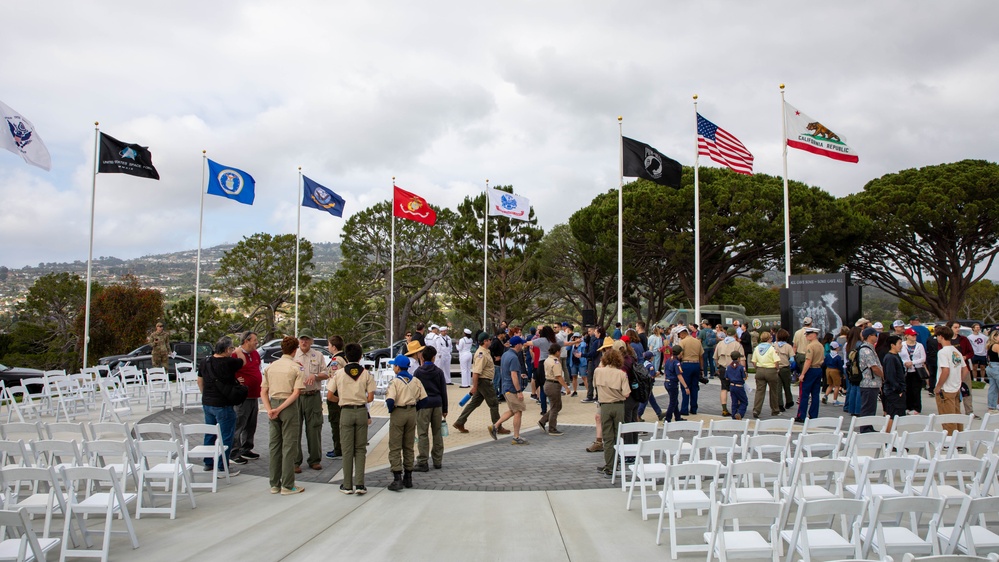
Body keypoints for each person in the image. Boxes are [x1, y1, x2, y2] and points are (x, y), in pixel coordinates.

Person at [326, 343, 375, 494]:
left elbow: (329, 395)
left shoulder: (339, 373)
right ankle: (360, 484)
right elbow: (371, 396)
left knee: (347, 449)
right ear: (361, 357)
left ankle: (347, 485)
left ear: (346, 357)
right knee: (360, 449)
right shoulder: (366, 373)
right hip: (360, 411)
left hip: (345, 411)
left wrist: (341, 400)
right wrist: (360, 399)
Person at [262, 336, 305, 495]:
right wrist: (280, 409)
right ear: (295, 350)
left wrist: (270, 409)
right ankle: (288, 484)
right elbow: (296, 393)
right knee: (289, 446)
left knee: (274, 445)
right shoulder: (296, 368)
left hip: (273, 404)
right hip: (288, 406)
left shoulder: (271, 367)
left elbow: (263, 391)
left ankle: (274, 483)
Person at [197, 336, 243, 476]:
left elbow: (200, 381)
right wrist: (239, 350)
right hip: (223, 404)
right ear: (227, 349)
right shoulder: (229, 362)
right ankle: (222, 466)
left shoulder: (205, 361)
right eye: (231, 348)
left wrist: (206, 395)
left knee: (210, 433)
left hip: (208, 402)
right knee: (226, 435)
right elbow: (243, 361)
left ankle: (208, 462)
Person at [385, 354, 427, 491]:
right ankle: (408, 477)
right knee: (408, 445)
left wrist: (391, 410)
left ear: (397, 367)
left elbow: (390, 400)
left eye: (394, 365)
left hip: (399, 411)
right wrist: (415, 409)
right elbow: (424, 399)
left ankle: (397, 477)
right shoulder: (415, 380)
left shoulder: (395, 381)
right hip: (411, 412)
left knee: (395, 445)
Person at [453, 333, 505, 435]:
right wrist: (474, 387)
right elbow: (476, 372)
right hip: (484, 381)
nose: (491, 341)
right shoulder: (481, 353)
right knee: (493, 404)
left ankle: (460, 422)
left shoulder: (485, 352)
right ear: (485, 341)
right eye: (489, 339)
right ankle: (497, 427)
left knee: (474, 403)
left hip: (483, 381)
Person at [293, 329, 327, 473]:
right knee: (295, 429)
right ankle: (295, 461)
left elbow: (326, 373)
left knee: (314, 428)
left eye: (307, 339)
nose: (304, 342)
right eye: (302, 339)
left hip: (313, 396)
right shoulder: (293, 355)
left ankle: (314, 460)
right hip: (297, 396)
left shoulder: (318, 355)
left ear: (312, 341)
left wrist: (315, 375)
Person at [594, 346, 630, 476]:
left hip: (604, 406)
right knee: (618, 436)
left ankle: (609, 465)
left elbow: (595, 387)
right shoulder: (621, 374)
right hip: (619, 405)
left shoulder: (598, 372)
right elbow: (626, 393)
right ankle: (616, 462)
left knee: (608, 437)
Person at [488, 336, 530, 445]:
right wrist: (519, 391)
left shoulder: (505, 355)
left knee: (513, 410)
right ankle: (516, 437)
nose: (522, 345)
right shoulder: (514, 357)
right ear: (517, 345)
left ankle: (495, 426)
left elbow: (506, 371)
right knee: (518, 411)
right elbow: (513, 375)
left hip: (505, 386)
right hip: (511, 388)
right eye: (521, 344)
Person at [412, 345, 448, 472]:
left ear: (422, 357)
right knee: (437, 432)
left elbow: (415, 390)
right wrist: (445, 408)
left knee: (423, 433)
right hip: (437, 403)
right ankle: (437, 460)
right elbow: (443, 390)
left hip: (423, 404)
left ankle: (422, 461)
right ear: (433, 358)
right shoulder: (438, 372)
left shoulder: (418, 372)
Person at [229, 331, 262, 465]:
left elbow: (257, 368)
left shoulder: (255, 354)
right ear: (247, 341)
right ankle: (234, 451)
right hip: (242, 396)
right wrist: (236, 379)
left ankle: (246, 448)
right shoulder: (235, 354)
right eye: (254, 340)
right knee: (239, 423)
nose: (256, 342)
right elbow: (228, 371)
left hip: (254, 394)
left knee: (251, 424)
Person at [933, 325, 965, 434]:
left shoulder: (942, 352)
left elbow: (945, 370)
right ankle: (959, 437)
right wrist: (959, 381)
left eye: (937, 336)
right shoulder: (956, 351)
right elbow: (965, 369)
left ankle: (950, 439)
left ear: (941, 336)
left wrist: (938, 386)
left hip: (946, 389)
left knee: (947, 416)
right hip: (955, 387)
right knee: (957, 414)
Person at [538, 343, 570, 435]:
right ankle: (552, 428)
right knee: (555, 407)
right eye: (559, 351)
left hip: (547, 383)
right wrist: (566, 387)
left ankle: (543, 420)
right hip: (553, 385)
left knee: (556, 406)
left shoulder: (547, 359)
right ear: (557, 352)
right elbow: (558, 376)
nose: (560, 353)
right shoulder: (555, 362)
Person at [795, 327, 825, 422]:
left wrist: (802, 374)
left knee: (804, 394)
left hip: (810, 370)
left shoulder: (810, 346)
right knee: (815, 394)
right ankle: (813, 415)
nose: (807, 336)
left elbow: (808, 361)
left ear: (814, 335)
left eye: (808, 334)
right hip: (818, 369)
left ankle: (801, 415)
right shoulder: (820, 345)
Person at [324, 335, 347, 460]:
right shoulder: (346, 357)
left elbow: (334, 377)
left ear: (333, 346)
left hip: (336, 394)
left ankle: (338, 448)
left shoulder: (336, 360)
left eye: (329, 345)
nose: (328, 347)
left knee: (336, 421)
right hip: (344, 393)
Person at [856, 327, 884, 426]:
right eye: (875, 335)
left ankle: (869, 426)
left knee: (871, 408)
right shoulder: (866, 350)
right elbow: (874, 367)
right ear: (869, 336)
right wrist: (883, 376)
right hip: (869, 383)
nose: (876, 337)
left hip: (872, 383)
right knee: (867, 408)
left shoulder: (869, 348)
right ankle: (865, 428)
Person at [750, 331, 782, 418]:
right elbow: (776, 361)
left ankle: (756, 410)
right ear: (769, 339)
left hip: (760, 370)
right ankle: (775, 410)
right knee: (773, 391)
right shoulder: (772, 348)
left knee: (759, 391)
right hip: (771, 370)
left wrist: (757, 368)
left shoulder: (757, 348)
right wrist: (777, 369)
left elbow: (753, 361)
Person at [714, 327, 742, 418]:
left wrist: (717, 366)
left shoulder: (720, 344)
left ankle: (724, 409)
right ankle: (737, 408)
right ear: (734, 334)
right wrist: (744, 370)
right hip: (734, 368)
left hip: (723, 368)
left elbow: (715, 357)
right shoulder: (737, 344)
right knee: (736, 387)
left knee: (724, 388)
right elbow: (742, 359)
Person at [676, 326, 704, 417]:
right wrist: (701, 368)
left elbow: (679, 355)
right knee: (694, 387)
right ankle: (694, 408)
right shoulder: (697, 341)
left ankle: (684, 409)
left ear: (683, 333)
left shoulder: (682, 342)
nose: (679, 336)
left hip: (686, 364)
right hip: (696, 364)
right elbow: (701, 356)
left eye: (679, 335)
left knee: (685, 387)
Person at [949, 321, 975, 417]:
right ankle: (956, 411)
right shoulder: (947, 340)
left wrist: (965, 357)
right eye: (955, 327)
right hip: (952, 369)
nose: (958, 329)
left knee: (967, 390)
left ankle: (969, 411)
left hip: (964, 368)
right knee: (954, 391)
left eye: (958, 327)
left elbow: (971, 352)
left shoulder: (963, 339)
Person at [882, 335, 907, 431]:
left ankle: (892, 439)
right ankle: (888, 439)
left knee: (896, 416)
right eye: (899, 343)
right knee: (892, 416)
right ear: (892, 345)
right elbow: (890, 376)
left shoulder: (896, 356)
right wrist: (898, 389)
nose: (901, 346)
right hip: (893, 391)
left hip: (897, 390)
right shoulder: (890, 358)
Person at [899, 328, 926, 414]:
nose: (914, 337)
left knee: (916, 389)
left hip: (916, 370)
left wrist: (912, 362)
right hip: (906, 370)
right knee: (907, 389)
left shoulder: (920, 345)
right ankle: (907, 407)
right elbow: (899, 356)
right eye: (912, 335)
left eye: (915, 335)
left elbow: (923, 358)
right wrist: (905, 363)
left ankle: (916, 407)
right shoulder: (902, 345)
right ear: (906, 336)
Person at [661, 345, 688, 422]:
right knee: (672, 403)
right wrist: (686, 387)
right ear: (680, 353)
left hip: (667, 382)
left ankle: (677, 417)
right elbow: (679, 375)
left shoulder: (669, 360)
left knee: (675, 401)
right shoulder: (676, 363)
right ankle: (667, 419)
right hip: (673, 383)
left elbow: (666, 373)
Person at [635, 351, 663, 421]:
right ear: (651, 358)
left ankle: (659, 413)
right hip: (648, 385)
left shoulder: (644, 363)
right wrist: (656, 374)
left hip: (644, 384)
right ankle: (638, 414)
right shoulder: (650, 366)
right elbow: (651, 376)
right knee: (645, 401)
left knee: (652, 400)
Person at [774, 329, 795, 410]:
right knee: (787, 386)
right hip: (785, 368)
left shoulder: (774, 345)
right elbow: (792, 359)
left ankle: (780, 404)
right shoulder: (788, 346)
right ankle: (789, 401)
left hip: (776, 367)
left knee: (778, 387)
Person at [725, 350, 748, 420]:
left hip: (732, 385)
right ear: (738, 358)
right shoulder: (741, 367)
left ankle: (734, 415)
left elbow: (726, 378)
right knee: (744, 401)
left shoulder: (728, 367)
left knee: (734, 401)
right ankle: (740, 413)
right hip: (739, 386)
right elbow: (744, 378)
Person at [821, 341, 844, 407]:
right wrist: (842, 373)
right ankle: (835, 400)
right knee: (837, 385)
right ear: (836, 348)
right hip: (835, 370)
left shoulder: (827, 355)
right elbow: (840, 366)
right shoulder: (838, 357)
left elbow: (824, 363)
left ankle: (825, 396)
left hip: (828, 370)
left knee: (830, 384)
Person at [986, 330, 999, 413]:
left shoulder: (990, 345)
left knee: (992, 388)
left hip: (991, 366)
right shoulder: (997, 346)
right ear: (995, 337)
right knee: (994, 388)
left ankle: (991, 407)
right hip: (996, 367)